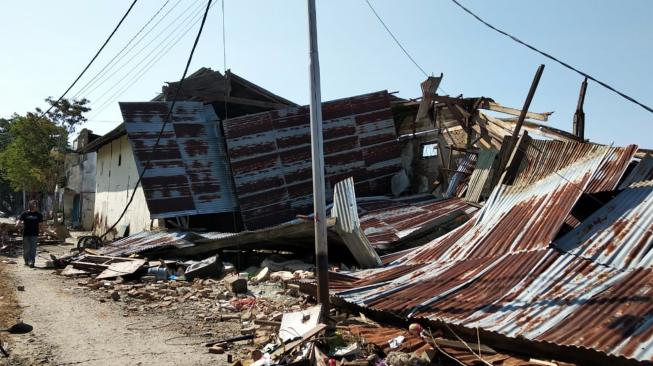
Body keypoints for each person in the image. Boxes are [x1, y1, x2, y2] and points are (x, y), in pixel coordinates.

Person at [17, 200, 43, 268]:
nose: (34, 206)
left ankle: (31, 261)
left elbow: (40, 225)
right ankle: (26, 261)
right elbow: (19, 221)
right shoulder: (25, 214)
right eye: (33, 204)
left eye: (35, 205)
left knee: (33, 249)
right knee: (26, 249)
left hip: (34, 234)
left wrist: (42, 232)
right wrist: (17, 224)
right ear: (30, 205)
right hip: (26, 234)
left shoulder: (39, 215)